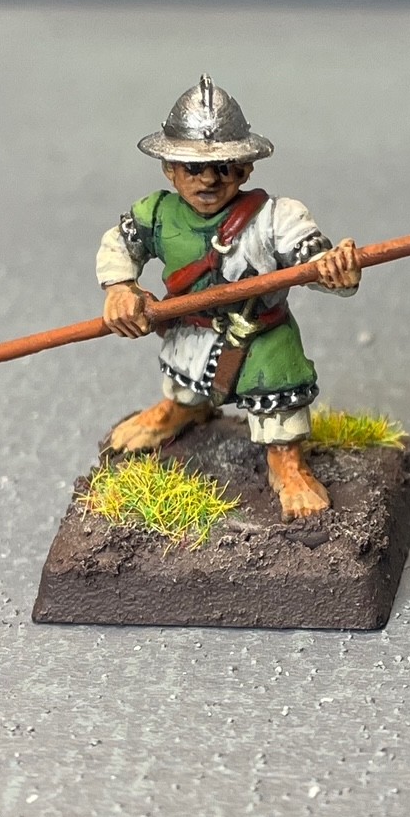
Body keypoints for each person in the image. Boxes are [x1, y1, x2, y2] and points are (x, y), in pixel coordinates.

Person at [96, 74, 362, 520]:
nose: (208, 179)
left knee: (277, 396)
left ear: (244, 169)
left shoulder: (277, 218)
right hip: (193, 329)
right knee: (184, 377)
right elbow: (119, 245)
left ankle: (286, 464)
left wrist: (335, 268)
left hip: (261, 336)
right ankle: (180, 411)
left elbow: (314, 262)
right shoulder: (156, 214)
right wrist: (121, 289)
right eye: (193, 168)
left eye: (222, 167)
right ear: (169, 169)